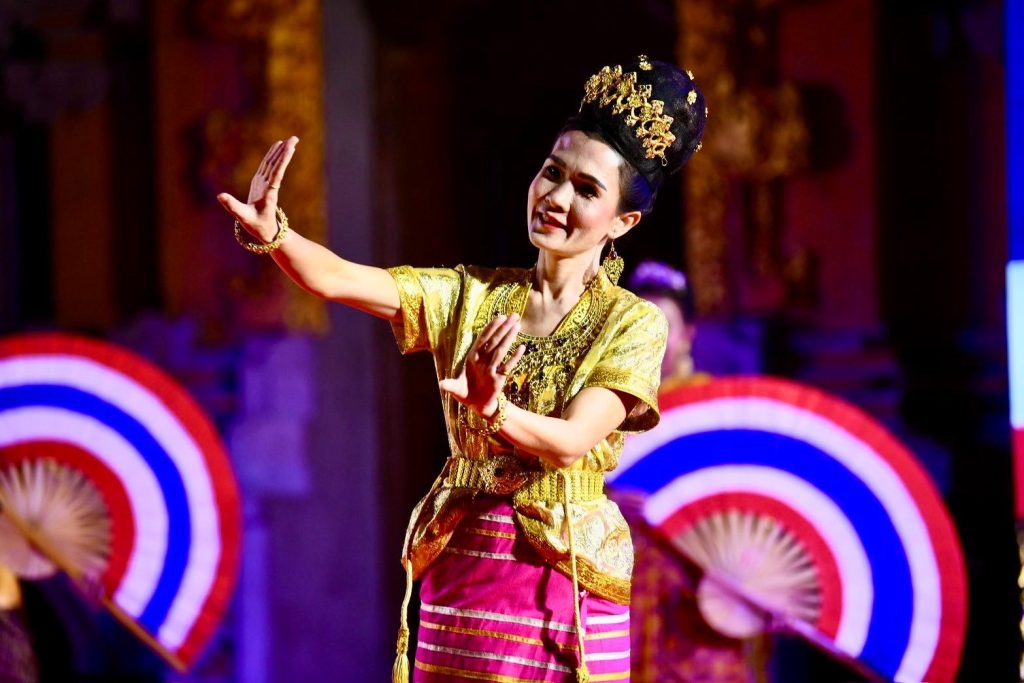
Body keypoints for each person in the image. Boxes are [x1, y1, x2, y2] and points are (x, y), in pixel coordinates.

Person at [218, 55, 706, 683]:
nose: (557, 198)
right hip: (468, 565)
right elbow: (339, 279)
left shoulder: (633, 322)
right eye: (552, 173)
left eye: (587, 190)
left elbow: (571, 442)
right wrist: (275, 233)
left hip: (568, 576)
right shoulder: (471, 295)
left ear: (623, 221)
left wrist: (494, 409)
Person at [617, 261, 760, 683]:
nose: (651, 339)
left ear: (688, 335)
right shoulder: (597, 408)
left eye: (664, 327)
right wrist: (603, 500)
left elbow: (748, 509)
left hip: (696, 601)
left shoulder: (714, 415)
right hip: (620, 597)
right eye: (640, 324)